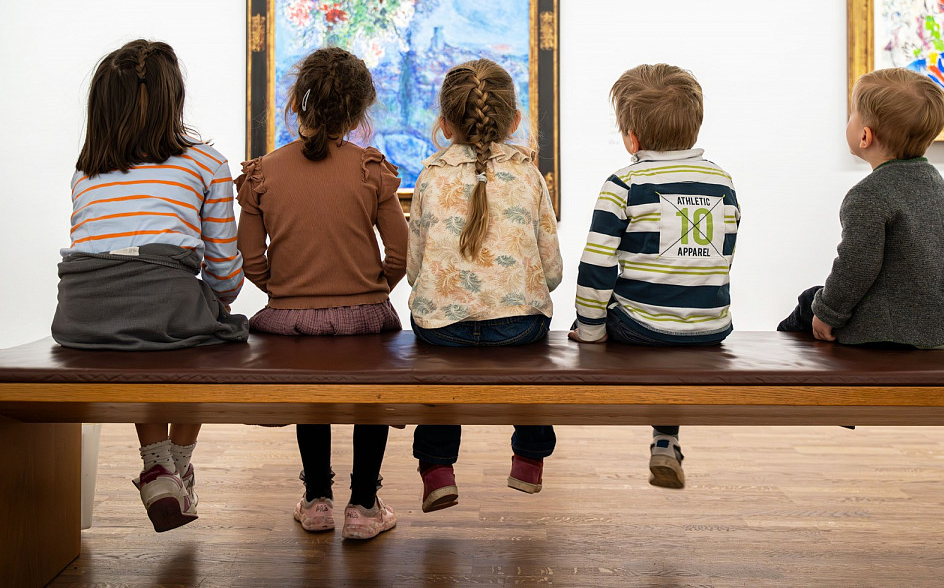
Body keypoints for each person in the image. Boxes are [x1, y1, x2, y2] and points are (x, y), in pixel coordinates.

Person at [51, 39, 248, 532]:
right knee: (201, 332)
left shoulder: (86, 170)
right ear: (173, 98)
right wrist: (217, 300)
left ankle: (159, 464)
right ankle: (171, 466)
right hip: (161, 307)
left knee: (144, 331)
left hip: (81, 317)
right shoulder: (207, 164)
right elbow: (224, 275)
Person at [235, 47, 408, 541]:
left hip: (290, 321)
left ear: (298, 102)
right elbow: (399, 253)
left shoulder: (263, 172)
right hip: (366, 316)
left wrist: (286, 292)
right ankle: (363, 504)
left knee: (312, 397)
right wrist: (372, 291)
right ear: (358, 112)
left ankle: (316, 501)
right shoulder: (370, 169)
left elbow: (251, 259)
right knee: (370, 398)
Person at [571, 64, 740, 490]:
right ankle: (666, 439)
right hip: (710, 328)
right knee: (670, 339)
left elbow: (596, 266)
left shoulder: (624, 184)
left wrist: (590, 330)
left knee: (601, 312)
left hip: (638, 328)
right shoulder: (722, 183)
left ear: (631, 137)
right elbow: (720, 259)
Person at [406, 58, 562, 512]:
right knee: (532, 362)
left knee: (438, 372)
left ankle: (437, 470)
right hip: (517, 328)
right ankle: (529, 458)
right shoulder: (529, 174)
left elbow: (415, 271)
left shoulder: (432, 175)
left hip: (442, 329)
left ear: (444, 122)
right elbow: (550, 270)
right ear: (513, 120)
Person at [778, 67, 944, 348]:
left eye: (851, 115)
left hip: (893, 328)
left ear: (865, 136)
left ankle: (780, 378)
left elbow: (856, 266)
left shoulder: (868, 196)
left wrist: (827, 314)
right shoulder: (937, 186)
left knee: (807, 305)